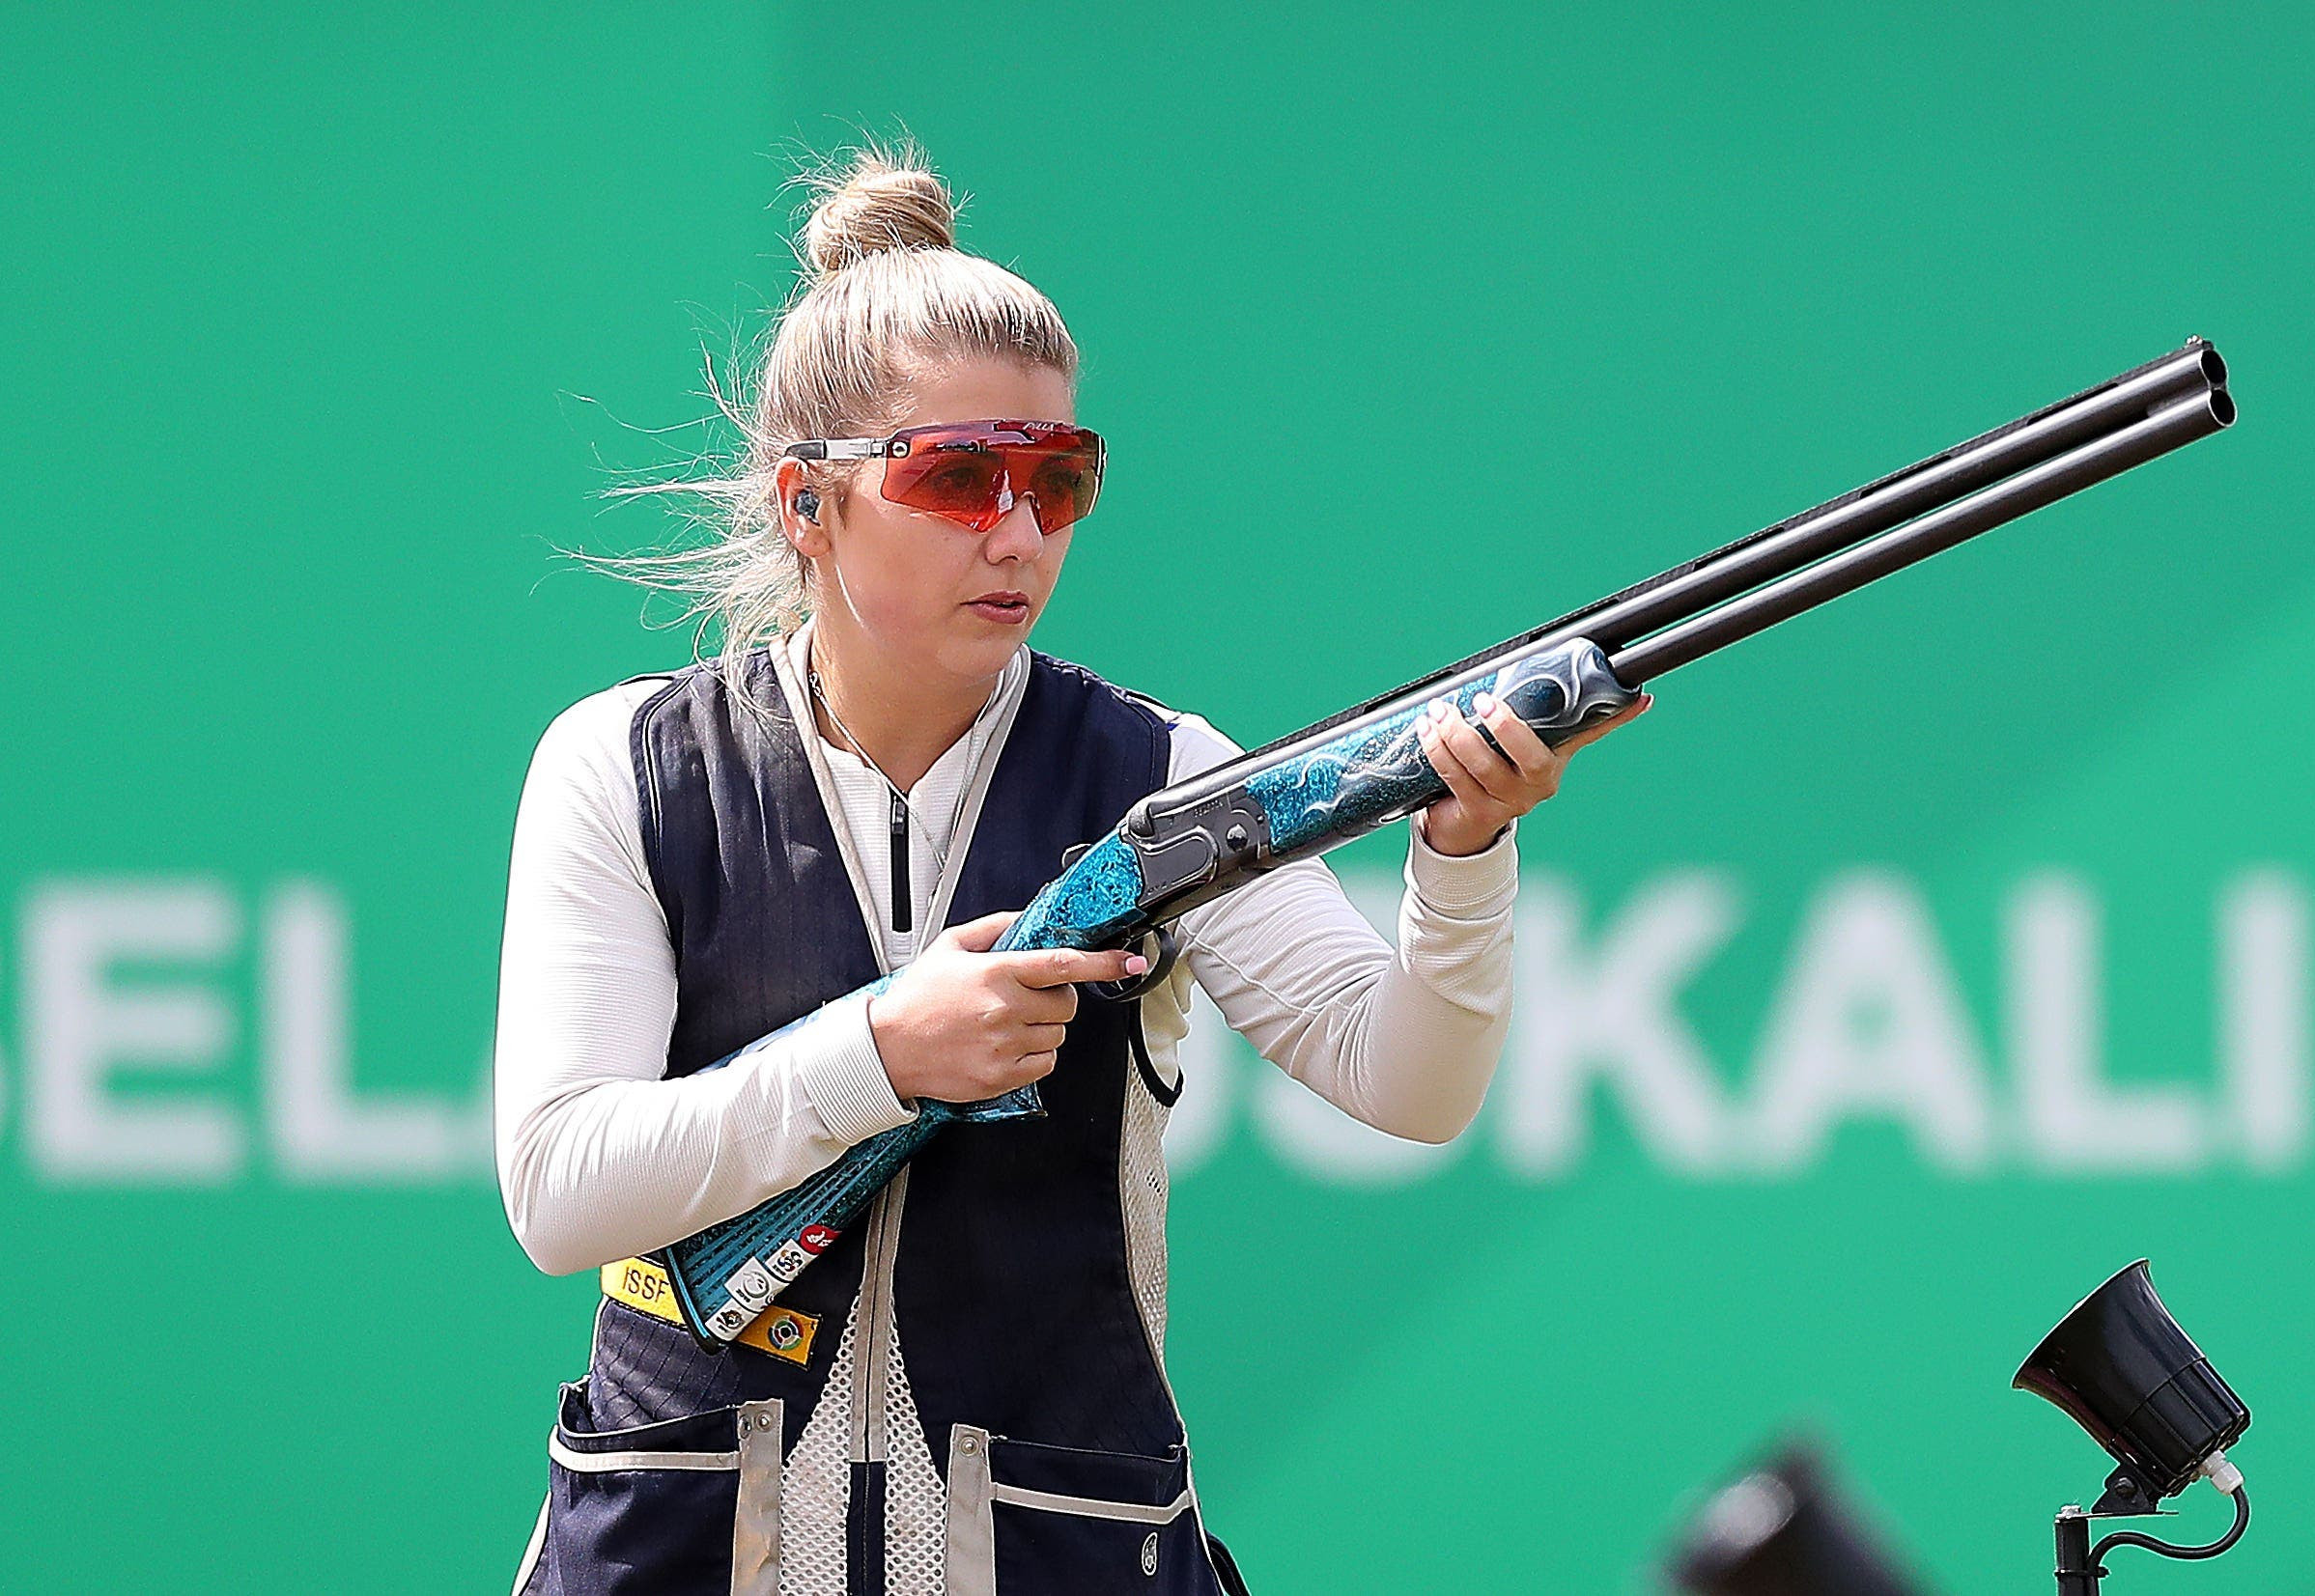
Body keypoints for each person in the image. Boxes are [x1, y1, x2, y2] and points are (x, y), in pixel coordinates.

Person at [493, 144, 1648, 1596]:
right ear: (806, 501)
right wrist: (884, 1051)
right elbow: (559, 1186)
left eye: (1060, 478)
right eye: (958, 475)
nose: (1019, 531)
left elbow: (1411, 1083)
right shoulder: (626, 765)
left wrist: (1465, 850)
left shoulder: (1158, 776)